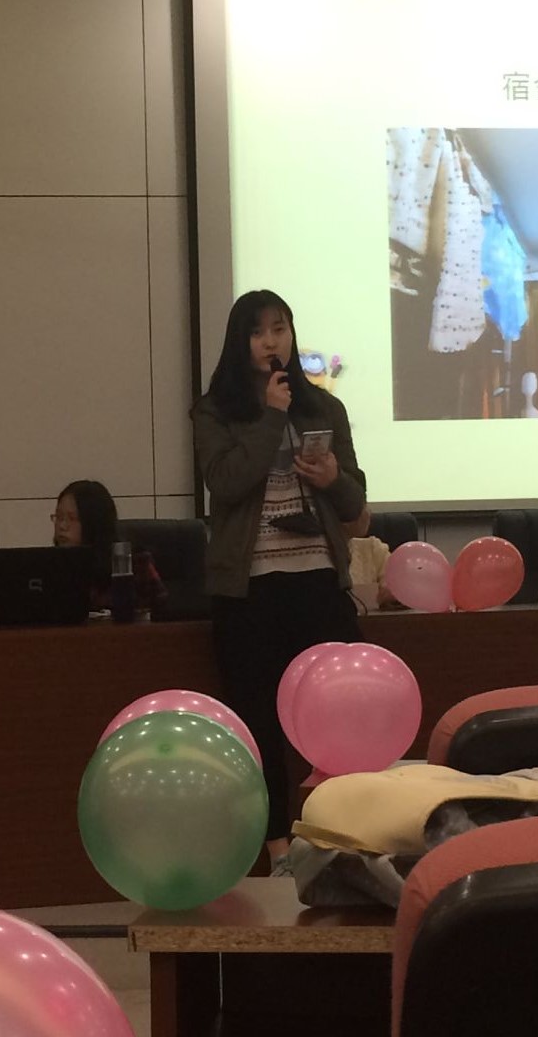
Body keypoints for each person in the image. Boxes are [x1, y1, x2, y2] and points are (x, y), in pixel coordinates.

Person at [191, 289, 368, 875]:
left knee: (337, 718)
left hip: (317, 580)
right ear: (240, 342)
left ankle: (340, 836)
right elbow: (225, 482)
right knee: (259, 721)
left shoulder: (323, 408)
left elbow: (356, 505)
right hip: (251, 589)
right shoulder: (215, 411)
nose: (272, 342)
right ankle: (278, 850)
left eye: (280, 328)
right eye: (258, 332)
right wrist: (270, 416)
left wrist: (332, 477)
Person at [51, 480, 167, 617]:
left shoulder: (133, 562)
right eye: (59, 517)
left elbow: (160, 612)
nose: (62, 526)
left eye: (72, 518)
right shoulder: (53, 566)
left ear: (94, 522)